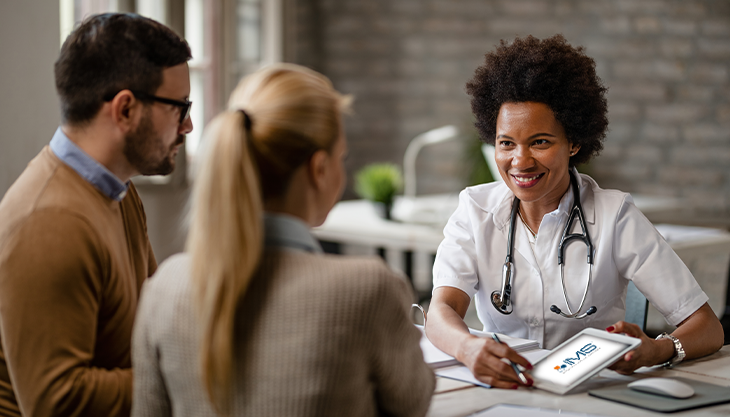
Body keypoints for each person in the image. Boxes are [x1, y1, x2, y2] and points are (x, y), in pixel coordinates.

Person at [131, 63, 434, 417]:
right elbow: (414, 402)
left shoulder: (164, 288)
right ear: (319, 170)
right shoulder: (367, 290)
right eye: (342, 158)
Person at [425, 34, 724, 389]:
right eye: (506, 143)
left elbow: (707, 326)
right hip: (506, 389)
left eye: (540, 141)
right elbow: (441, 311)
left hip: (590, 395)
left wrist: (657, 350)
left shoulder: (615, 216)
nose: (520, 161)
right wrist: (469, 348)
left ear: (574, 143)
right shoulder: (475, 210)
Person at [0, 13, 192, 416]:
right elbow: (57, 401)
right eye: (179, 107)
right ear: (124, 109)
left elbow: (150, 319)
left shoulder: (119, 191)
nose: (188, 125)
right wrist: (186, 372)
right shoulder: (49, 220)